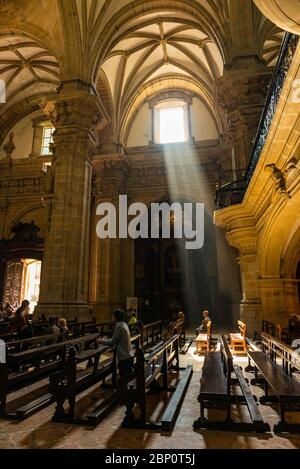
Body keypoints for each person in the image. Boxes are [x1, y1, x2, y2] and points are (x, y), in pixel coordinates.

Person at [98, 308, 134, 376]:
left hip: (124, 357)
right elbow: (115, 339)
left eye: (113, 316)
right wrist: (104, 339)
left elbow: (113, 342)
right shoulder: (124, 324)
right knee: (127, 380)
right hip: (129, 355)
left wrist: (100, 341)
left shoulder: (118, 326)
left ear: (115, 317)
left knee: (123, 380)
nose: (112, 317)